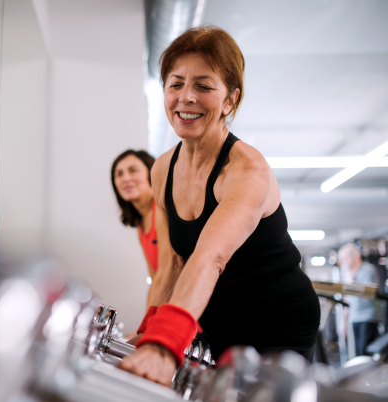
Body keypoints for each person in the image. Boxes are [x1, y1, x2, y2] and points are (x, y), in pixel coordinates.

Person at [119, 25, 320, 385]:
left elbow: (210, 257)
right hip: (219, 323)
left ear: (230, 100)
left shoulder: (247, 169)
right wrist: (149, 334)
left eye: (204, 86)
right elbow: (172, 265)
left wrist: (166, 344)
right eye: (176, 83)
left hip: (279, 323)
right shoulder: (163, 169)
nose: (186, 97)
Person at [111, 150, 158, 281]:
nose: (125, 178)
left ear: (151, 173)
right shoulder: (141, 224)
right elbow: (154, 278)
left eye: (133, 170)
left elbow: (166, 275)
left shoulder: (161, 211)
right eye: (119, 174)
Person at [338, 243, 382, 356]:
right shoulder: (348, 274)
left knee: (365, 350)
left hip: (368, 316)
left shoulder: (368, 270)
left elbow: (367, 296)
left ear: (355, 256)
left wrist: (353, 283)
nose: (344, 261)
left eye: (345, 258)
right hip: (355, 316)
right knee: (358, 351)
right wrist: (344, 322)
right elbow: (348, 300)